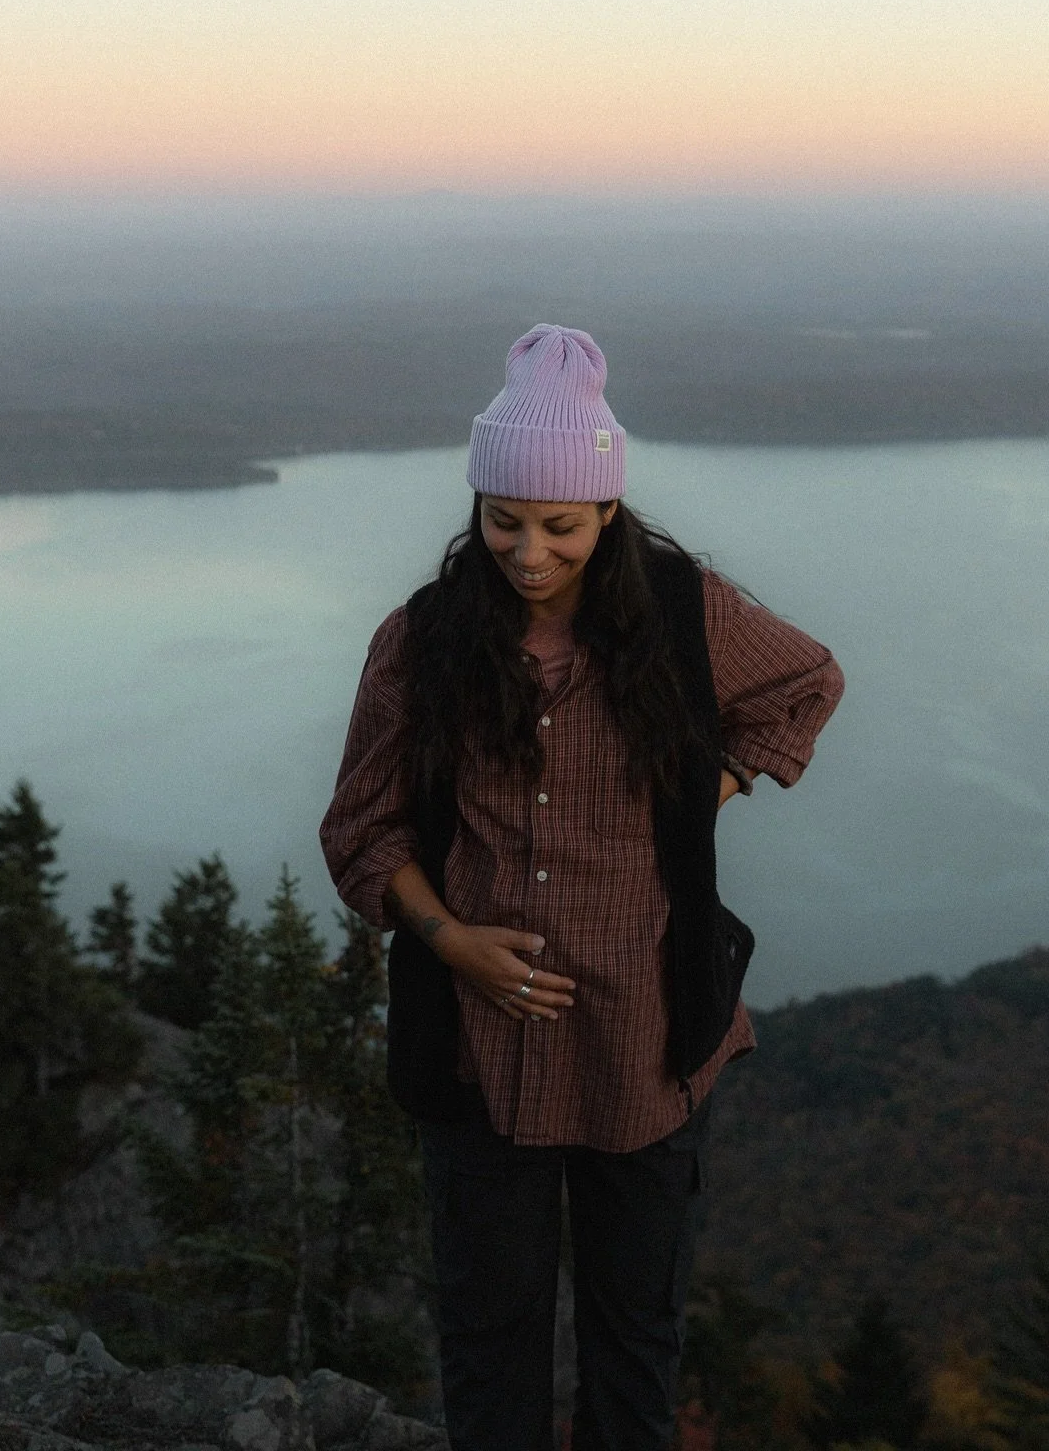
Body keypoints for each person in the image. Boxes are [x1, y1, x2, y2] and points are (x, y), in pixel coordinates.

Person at [320, 323, 843, 1451]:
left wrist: (715, 786)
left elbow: (804, 681)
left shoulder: (684, 614)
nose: (528, 551)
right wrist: (449, 938)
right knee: (489, 1331)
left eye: (560, 525)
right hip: (476, 1050)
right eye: (503, 521)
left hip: (647, 1041)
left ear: (608, 511)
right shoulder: (423, 642)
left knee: (634, 1331)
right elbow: (361, 832)